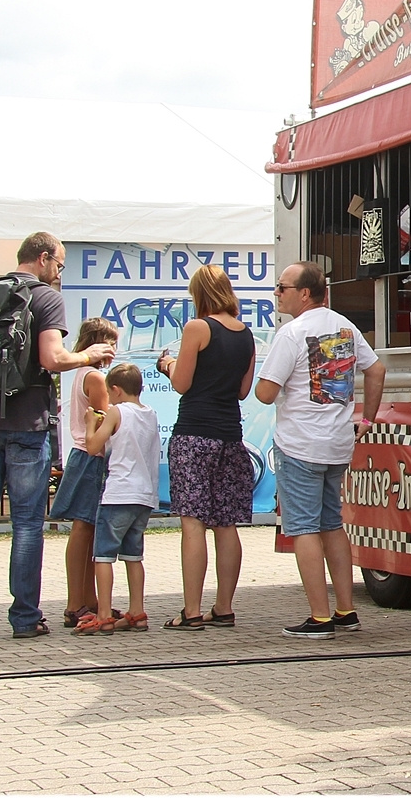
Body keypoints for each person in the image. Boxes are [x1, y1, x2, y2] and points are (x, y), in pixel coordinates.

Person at [0, 232, 114, 640]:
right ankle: (24, 619)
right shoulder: (45, 298)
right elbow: (52, 358)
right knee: (25, 525)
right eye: (59, 265)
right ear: (43, 259)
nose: (59, 273)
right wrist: (88, 356)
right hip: (26, 425)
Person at [255, 261, 385, 639]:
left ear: (304, 293)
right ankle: (346, 610)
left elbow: (265, 393)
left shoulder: (292, 333)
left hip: (300, 442)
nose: (277, 293)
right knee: (332, 524)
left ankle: (319, 617)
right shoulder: (345, 327)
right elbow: (376, 370)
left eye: (282, 287)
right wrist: (368, 420)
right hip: (338, 441)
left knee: (303, 528)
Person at [156, 264, 257, 632]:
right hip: (231, 435)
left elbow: (182, 383)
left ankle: (192, 610)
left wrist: (167, 364)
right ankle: (224, 607)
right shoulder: (246, 335)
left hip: (194, 433)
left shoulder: (197, 327)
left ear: (199, 294)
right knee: (225, 522)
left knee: (193, 521)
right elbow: (244, 391)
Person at [76, 363, 159, 635]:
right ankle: (137, 611)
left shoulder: (116, 411)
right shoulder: (150, 414)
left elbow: (92, 446)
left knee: (103, 555)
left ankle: (103, 613)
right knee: (134, 556)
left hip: (118, 492)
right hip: (144, 495)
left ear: (116, 390)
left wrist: (91, 423)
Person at [52, 317, 119, 627]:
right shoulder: (95, 377)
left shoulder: (80, 373)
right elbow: (104, 422)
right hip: (91, 456)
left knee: (87, 529)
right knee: (83, 529)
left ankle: (88, 600)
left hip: (82, 454)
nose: (114, 350)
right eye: (111, 343)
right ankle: (76, 602)